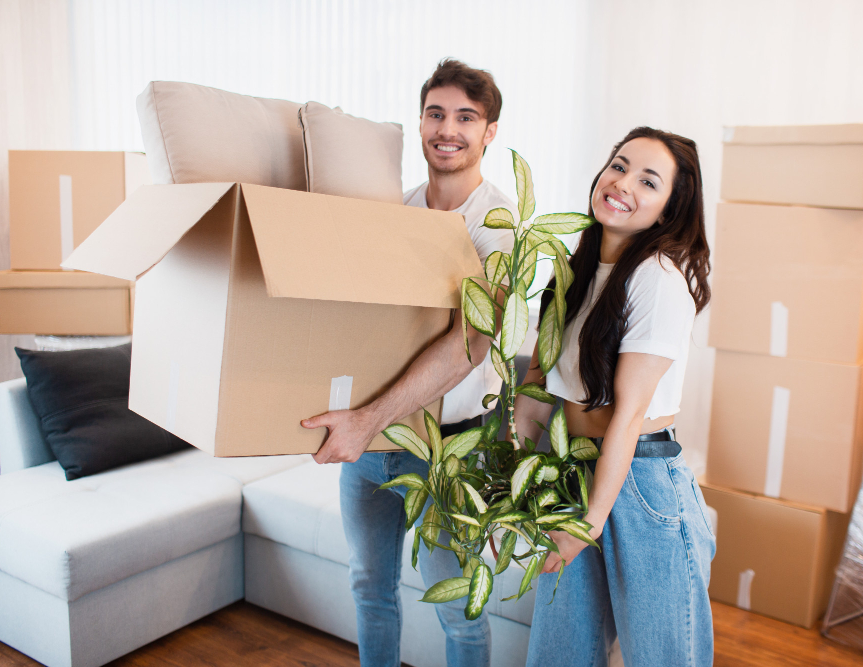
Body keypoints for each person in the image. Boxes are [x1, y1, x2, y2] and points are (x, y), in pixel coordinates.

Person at [300, 59, 516, 667]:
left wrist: (367, 419)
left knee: (458, 611)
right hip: (373, 445)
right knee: (370, 588)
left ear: (489, 132)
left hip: (451, 450)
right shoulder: (395, 210)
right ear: (420, 121)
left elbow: (467, 346)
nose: (448, 130)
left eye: (466, 118)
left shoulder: (497, 227)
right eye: (436, 114)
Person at [516, 127, 716, 666]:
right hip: (573, 471)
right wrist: (509, 492)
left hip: (641, 482)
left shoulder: (656, 279)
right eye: (619, 165)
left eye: (648, 181)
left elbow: (627, 419)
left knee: (663, 658)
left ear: (668, 210)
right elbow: (537, 391)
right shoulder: (574, 272)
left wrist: (588, 523)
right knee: (558, 656)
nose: (622, 182)